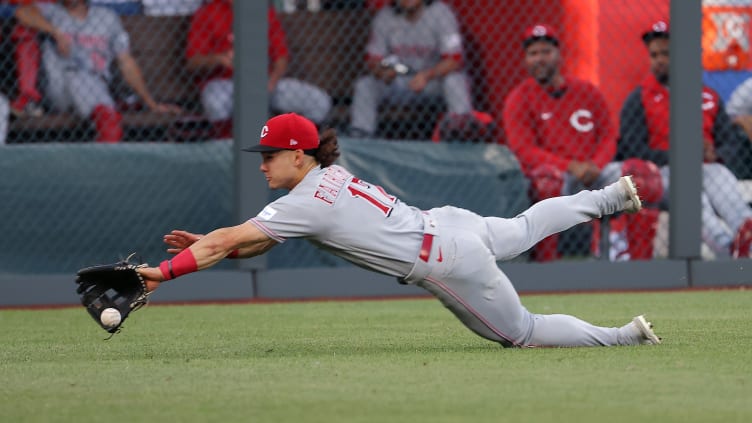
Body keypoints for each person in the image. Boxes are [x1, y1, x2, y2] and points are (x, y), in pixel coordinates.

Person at [136, 112, 662, 348]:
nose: (262, 165)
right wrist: (210, 249)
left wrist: (163, 271)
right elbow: (243, 240)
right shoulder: (329, 177)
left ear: (298, 156)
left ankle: (624, 336)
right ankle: (609, 196)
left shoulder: (304, 203)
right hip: (449, 224)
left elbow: (234, 237)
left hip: (447, 262)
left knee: (523, 332)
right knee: (525, 225)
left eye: (270, 156)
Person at [503, 24, 663, 262]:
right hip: (559, 177)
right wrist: (571, 167)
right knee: (547, 180)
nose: (539, 59)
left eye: (545, 51)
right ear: (526, 59)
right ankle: (547, 266)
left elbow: (608, 136)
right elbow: (524, 151)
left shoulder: (586, 91)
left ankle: (638, 262)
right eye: (533, 53)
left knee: (640, 175)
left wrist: (595, 165)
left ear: (558, 54)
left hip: (595, 172)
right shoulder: (519, 98)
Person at [618, 20, 752, 258]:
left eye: (666, 53)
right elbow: (633, 149)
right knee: (692, 192)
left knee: (720, 174)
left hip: (707, 169)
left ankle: (745, 232)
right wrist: (682, 157)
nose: (659, 59)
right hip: (663, 173)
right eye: (654, 54)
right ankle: (728, 249)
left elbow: (730, 142)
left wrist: (715, 155)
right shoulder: (638, 98)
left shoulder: (708, 96)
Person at [13, 0, 182, 142]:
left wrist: (151, 103)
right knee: (76, 74)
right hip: (59, 91)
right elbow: (22, 12)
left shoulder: (107, 17)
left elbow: (126, 62)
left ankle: (106, 127)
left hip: (96, 87)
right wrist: (55, 32)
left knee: (82, 79)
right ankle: (108, 126)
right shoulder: (51, 12)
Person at [185, 0, 333, 138]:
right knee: (216, 102)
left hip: (264, 81)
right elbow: (193, 62)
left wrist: (271, 82)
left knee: (319, 102)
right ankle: (227, 147)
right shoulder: (208, 12)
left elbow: (281, 57)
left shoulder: (263, 11)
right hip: (226, 83)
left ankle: (293, 146)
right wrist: (219, 59)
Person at [347, 0, 476, 138]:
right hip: (400, 82)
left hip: (433, 82)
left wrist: (426, 75)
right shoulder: (386, 16)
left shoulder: (441, 13)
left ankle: (461, 132)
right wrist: (382, 71)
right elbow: (373, 59)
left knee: (455, 80)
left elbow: (454, 60)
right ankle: (361, 136)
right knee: (365, 85)